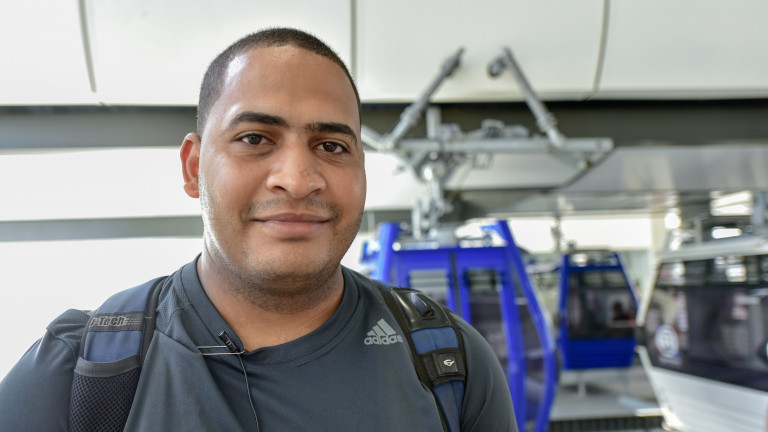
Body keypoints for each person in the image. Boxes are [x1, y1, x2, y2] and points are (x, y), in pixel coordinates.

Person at [0, 27, 517, 431]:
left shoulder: (450, 363)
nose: (297, 179)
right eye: (254, 138)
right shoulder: (77, 372)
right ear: (193, 169)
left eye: (332, 146)